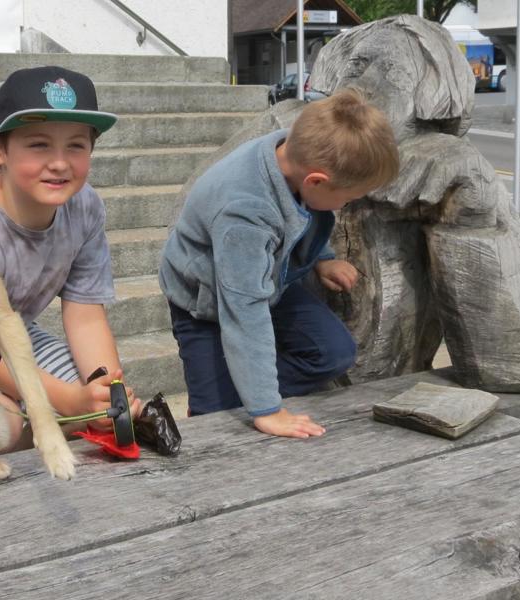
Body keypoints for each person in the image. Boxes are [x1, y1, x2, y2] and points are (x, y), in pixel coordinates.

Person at [159, 88, 399, 439]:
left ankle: (243, 388)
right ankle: (230, 399)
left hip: (271, 277)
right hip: (205, 303)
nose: (345, 206)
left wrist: (322, 259)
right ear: (316, 180)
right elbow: (244, 311)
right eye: (347, 199)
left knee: (333, 353)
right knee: (215, 417)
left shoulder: (290, 150)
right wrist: (267, 410)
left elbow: (301, 213)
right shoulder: (245, 212)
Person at [0, 65, 140, 449]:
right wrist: (69, 402)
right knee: (2, 428)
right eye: (39, 145)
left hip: (15, 335)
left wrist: (104, 391)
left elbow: (86, 313)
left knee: (91, 403)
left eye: (75, 145)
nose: (59, 163)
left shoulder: (85, 206)